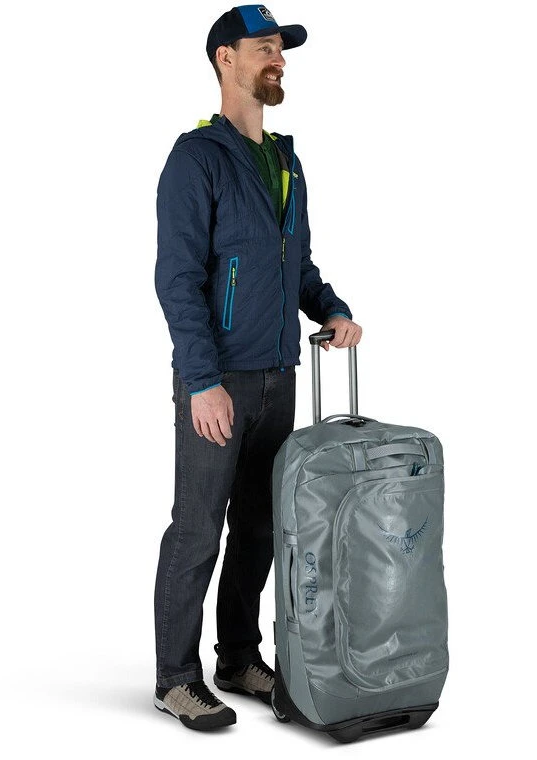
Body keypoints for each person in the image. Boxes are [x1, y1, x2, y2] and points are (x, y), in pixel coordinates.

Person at [153, 5, 363, 731]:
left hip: (279, 374)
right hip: (219, 380)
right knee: (197, 530)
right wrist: (201, 381)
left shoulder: (284, 161)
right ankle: (175, 678)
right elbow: (178, 279)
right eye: (265, 47)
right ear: (226, 58)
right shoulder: (196, 158)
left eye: (282, 49)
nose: (279, 59)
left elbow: (293, 263)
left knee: (260, 527)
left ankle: (237, 657)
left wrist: (331, 309)